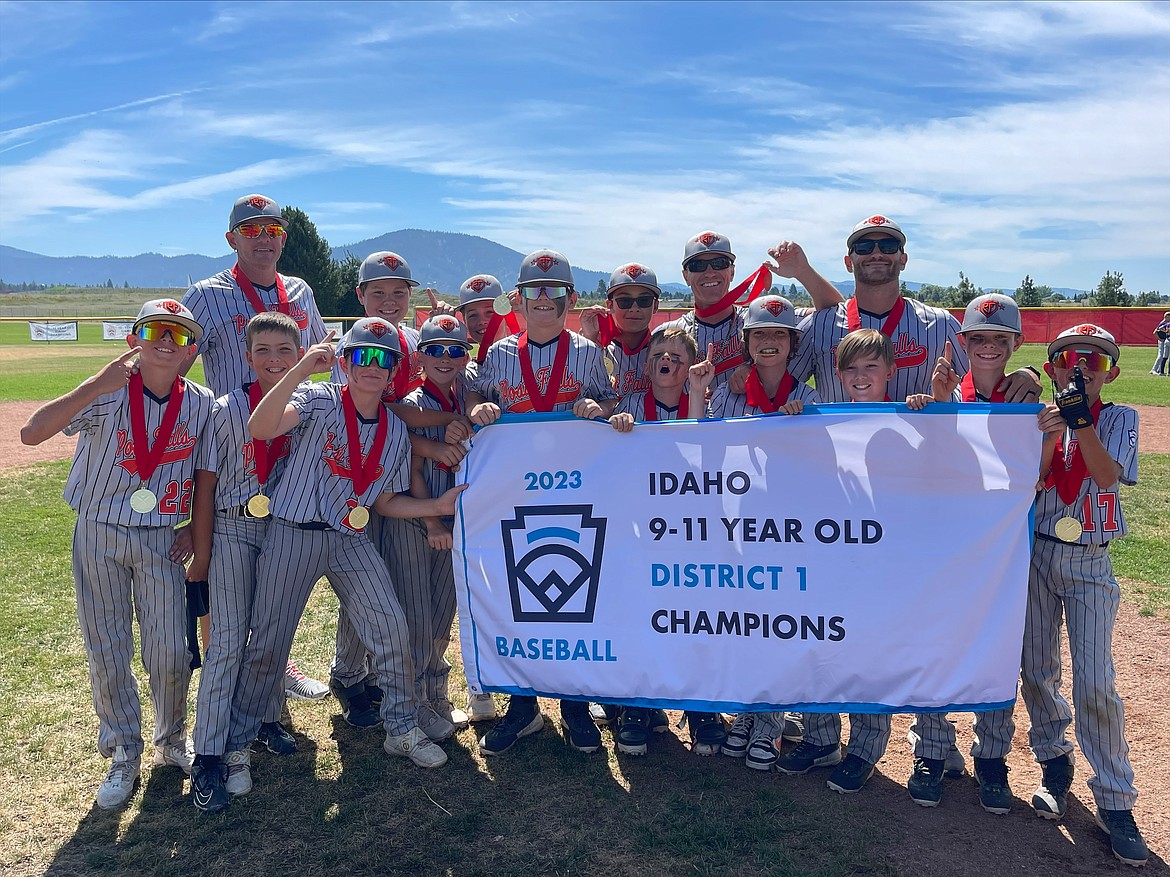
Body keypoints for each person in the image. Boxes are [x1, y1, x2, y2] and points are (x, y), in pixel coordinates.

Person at [223, 318, 465, 775]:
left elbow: (387, 501)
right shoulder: (318, 399)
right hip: (294, 533)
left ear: (395, 370)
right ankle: (239, 740)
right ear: (346, 362)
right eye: (363, 356)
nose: (373, 366)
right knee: (269, 642)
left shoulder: (394, 428)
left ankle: (400, 727)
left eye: (384, 359)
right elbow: (262, 427)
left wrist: (436, 503)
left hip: (350, 537)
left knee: (391, 626)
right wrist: (298, 371)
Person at [21, 299, 216, 809]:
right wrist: (94, 385)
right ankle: (124, 748)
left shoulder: (201, 403)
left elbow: (204, 477)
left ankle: (170, 738)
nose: (165, 341)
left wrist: (197, 532)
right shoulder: (107, 392)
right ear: (134, 339)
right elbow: (31, 433)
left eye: (178, 335)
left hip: (161, 537)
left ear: (190, 349)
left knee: (171, 649)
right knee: (108, 646)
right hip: (100, 528)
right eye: (155, 329)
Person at [467, 248, 618, 755]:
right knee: (520, 595)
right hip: (517, 496)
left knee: (577, 596)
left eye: (556, 292)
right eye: (535, 291)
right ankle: (524, 706)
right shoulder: (501, 354)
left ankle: (575, 704)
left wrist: (599, 407)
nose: (545, 301)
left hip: (575, 492)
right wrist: (480, 407)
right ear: (519, 300)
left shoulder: (588, 351)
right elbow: (476, 400)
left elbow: (609, 402)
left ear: (571, 298)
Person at [181, 192, 330, 703]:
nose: (264, 239)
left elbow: (316, 363)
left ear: (283, 238)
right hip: (233, 444)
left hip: (293, 446)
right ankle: (223, 669)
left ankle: (274, 664)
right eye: (252, 231)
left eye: (273, 230)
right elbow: (177, 372)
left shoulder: (301, 291)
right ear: (231, 239)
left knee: (274, 569)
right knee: (225, 563)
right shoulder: (206, 293)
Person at [776, 328, 932, 794]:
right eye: (851, 369)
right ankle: (822, 739)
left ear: (891, 371)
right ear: (838, 375)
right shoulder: (823, 418)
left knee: (870, 650)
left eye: (871, 368)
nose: (861, 377)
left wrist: (934, 416)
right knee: (819, 640)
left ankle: (866, 746)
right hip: (828, 550)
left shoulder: (909, 416)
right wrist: (790, 419)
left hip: (882, 556)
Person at [328, 252, 470, 736]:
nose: (389, 301)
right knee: (376, 598)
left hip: (407, 489)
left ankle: (421, 688)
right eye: (378, 292)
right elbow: (380, 419)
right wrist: (438, 435)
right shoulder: (354, 346)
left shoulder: (414, 341)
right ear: (360, 295)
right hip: (360, 485)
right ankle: (353, 678)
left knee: (409, 602)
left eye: (398, 292)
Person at [1025, 325, 1147, 867]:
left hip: (1090, 560)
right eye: (1069, 360)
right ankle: (1054, 760)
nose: (1081, 369)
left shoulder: (1120, 418)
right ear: (1052, 368)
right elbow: (1033, 478)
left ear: (1111, 373)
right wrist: (1051, 435)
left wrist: (1080, 420)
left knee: (1095, 680)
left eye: (1094, 362)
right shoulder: (1035, 415)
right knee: (1036, 669)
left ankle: (1116, 799)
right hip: (1038, 553)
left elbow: (1104, 475)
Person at [690, 294, 820, 768]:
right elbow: (700, 447)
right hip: (737, 520)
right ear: (746, 342)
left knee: (779, 624)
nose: (768, 343)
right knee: (746, 621)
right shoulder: (730, 390)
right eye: (759, 335)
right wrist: (699, 390)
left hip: (790, 529)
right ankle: (748, 710)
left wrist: (800, 425)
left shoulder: (806, 396)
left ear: (792, 343)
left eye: (778, 335)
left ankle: (769, 722)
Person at [187, 312, 305, 813]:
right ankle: (209, 754)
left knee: (273, 633)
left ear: (298, 354)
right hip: (235, 526)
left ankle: (266, 718)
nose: (274, 359)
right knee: (229, 639)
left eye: (284, 350)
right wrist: (203, 553)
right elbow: (207, 484)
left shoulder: (308, 404)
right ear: (247, 353)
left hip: (281, 527)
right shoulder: (224, 408)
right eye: (264, 351)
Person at [924, 293, 1029, 813]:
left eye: (999, 339)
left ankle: (991, 756)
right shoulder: (945, 393)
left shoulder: (1029, 403)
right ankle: (932, 749)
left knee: (996, 646)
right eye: (978, 339)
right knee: (937, 641)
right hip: (947, 542)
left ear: (1014, 345)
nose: (988, 347)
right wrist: (938, 406)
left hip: (1000, 549)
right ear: (962, 343)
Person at [662, 232, 842, 394]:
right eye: (698, 265)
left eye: (719, 264)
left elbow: (834, 312)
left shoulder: (762, 318)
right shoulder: (667, 334)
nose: (710, 272)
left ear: (731, 272)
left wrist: (803, 272)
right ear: (685, 276)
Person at [578, 263, 662, 397]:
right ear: (610, 305)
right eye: (624, 301)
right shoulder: (595, 347)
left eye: (644, 300)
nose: (634, 308)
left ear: (656, 306)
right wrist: (589, 342)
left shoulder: (666, 352)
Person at [1151, 311, 1170, 376]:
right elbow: (1155, 332)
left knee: (1164, 356)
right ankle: (1154, 369)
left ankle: (1159, 369)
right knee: (1161, 355)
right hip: (1162, 341)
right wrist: (1160, 339)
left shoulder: (1167, 323)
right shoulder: (1162, 323)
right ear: (1166, 317)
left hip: (1165, 340)